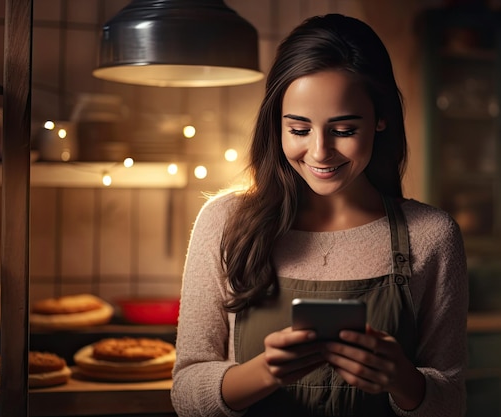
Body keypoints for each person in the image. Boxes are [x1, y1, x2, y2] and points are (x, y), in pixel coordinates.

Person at [171, 13, 468, 417]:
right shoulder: (223, 222)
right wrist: (264, 372)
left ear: (380, 120)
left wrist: (402, 378)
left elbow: (450, 402)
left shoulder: (431, 235)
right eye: (299, 129)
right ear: (276, 124)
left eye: (343, 130)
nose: (319, 152)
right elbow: (186, 392)